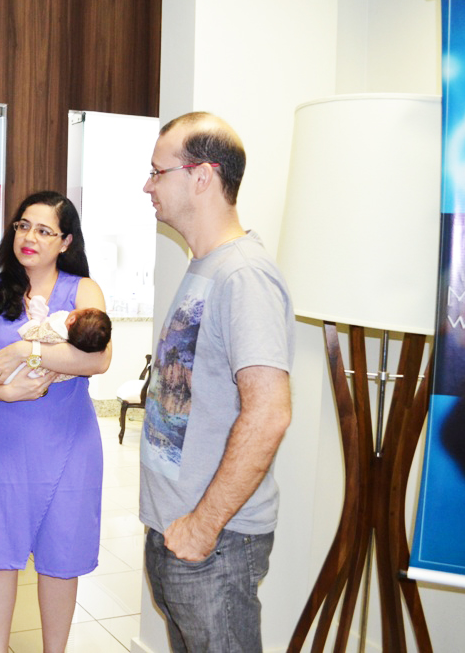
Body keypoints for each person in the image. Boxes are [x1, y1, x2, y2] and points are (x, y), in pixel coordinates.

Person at [140, 112, 294, 652]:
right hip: (179, 532)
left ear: (201, 176)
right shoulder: (204, 266)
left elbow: (269, 413)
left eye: (157, 172)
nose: (148, 186)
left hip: (216, 543)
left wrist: (203, 526)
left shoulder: (244, 275)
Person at [0, 191, 111, 653]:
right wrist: (6, 390)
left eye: (45, 231)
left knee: (61, 556)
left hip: (68, 443)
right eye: (23, 226)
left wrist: (26, 350)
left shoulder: (84, 290)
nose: (30, 237)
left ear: (65, 242)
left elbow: (98, 360)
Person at [0, 296, 111, 409]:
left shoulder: (56, 332)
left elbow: (29, 333)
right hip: (28, 378)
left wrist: (26, 346)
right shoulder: (74, 344)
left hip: (22, 371)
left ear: (72, 319)